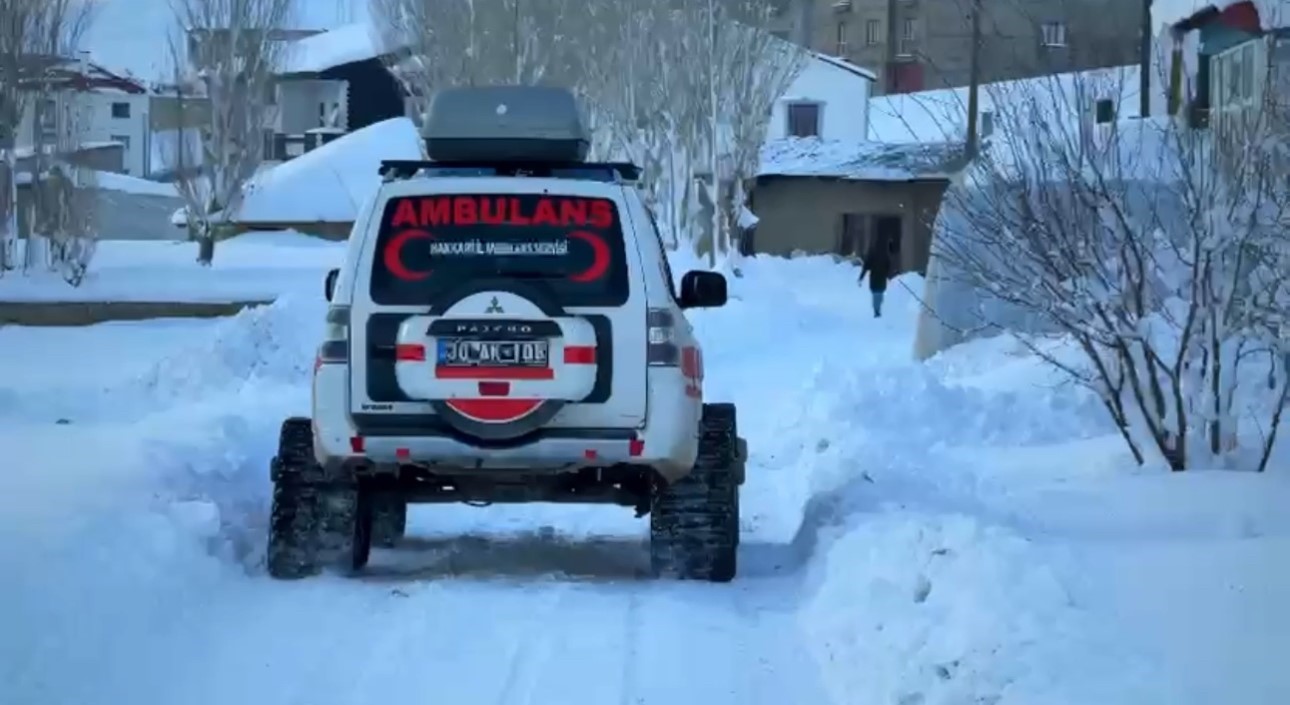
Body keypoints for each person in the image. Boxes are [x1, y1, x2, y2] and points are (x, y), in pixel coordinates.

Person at [857, 235, 892, 318]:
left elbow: (866, 267)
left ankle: (877, 310)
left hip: (875, 278)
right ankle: (877, 310)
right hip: (881, 278)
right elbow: (888, 266)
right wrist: (889, 275)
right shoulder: (885, 255)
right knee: (879, 294)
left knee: (876, 294)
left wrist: (861, 278)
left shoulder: (872, 254)